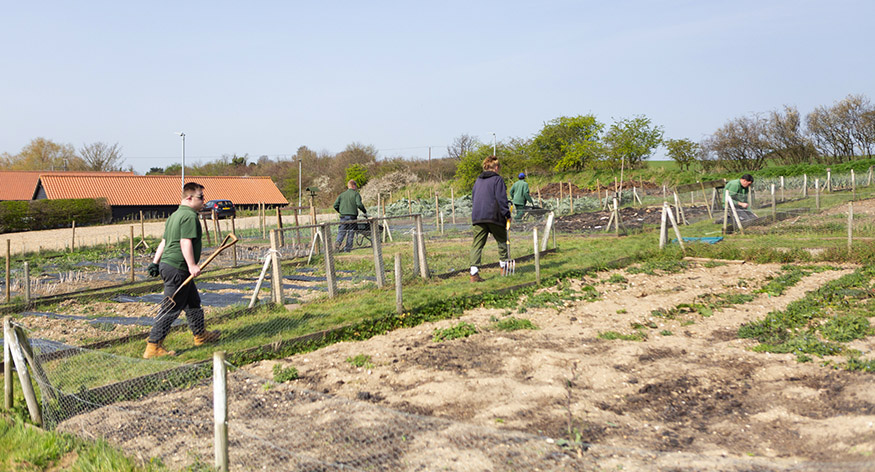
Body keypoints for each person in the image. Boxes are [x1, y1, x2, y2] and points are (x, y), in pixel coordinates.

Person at [143, 182, 220, 359]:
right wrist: (192, 265)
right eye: (201, 197)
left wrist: (155, 262)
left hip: (171, 266)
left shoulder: (174, 216)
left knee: (193, 302)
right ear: (189, 197)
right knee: (171, 306)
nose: (204, 201)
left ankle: (200, 335)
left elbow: (165, 241)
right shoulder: (189, 217)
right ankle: (153, 346)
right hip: (178, 268)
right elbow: (184, 242)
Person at [469, 155, 511, 282]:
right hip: (494, 216)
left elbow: (473, 197)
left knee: (477, 245)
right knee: (502, 241)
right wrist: (507, 214)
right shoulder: (498, 180)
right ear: (496, 167)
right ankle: (504, 268)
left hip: (478, 216)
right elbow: (501, 199)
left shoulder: (478, 180)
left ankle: (473, 273)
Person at [333, 179, 368, 252]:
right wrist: (364, 211)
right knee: (351, 232)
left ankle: (338, 243)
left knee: (342, 231)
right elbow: (359, 204)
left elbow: (335, 205)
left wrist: (340, 211)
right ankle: (347, 249)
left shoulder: (341, 195)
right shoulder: (356, 194)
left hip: (343, 217)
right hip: (352, 216)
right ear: (354, 186)